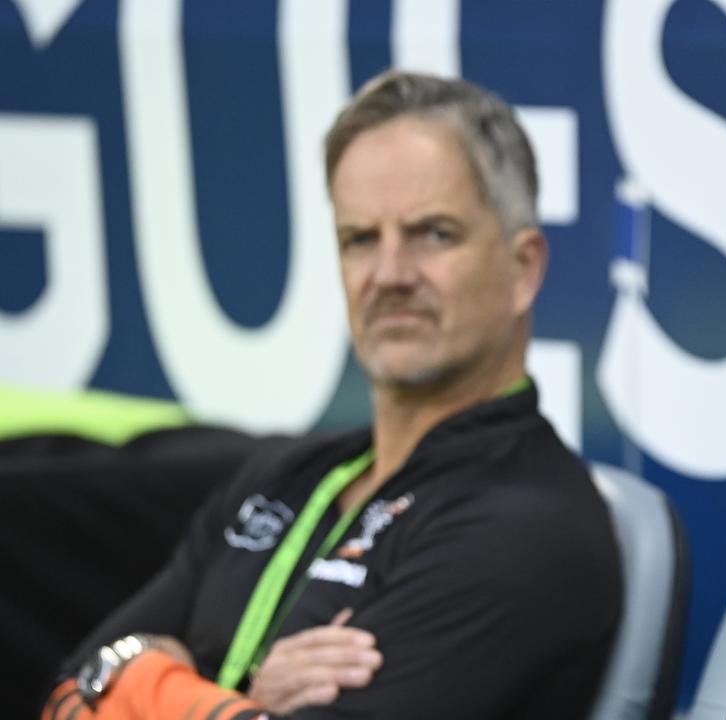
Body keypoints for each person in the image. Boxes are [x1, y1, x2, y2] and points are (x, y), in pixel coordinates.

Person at [43, 70, 621, 720]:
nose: (391, 274)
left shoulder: (527, 525)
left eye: (435, 233)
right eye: (361, 239)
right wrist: (245, 705)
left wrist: (150, 681)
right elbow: (71, 690)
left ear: (524, 269)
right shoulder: (280, 476)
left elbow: (108, 683)